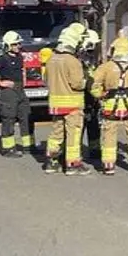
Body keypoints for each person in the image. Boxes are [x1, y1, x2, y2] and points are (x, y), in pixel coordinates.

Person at [91, 37, 128, 175]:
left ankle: (109, 165)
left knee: (109, 136)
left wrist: (100, 95)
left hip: (111, 107)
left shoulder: (104, 67)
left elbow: (94, 86)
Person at [43, 23, 92, 175]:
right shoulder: (73, 61)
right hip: (72, 105)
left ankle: (51, 162)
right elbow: (77, 84)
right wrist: (88, 80)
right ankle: (72, 164)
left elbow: (46, 79)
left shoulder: (51, 59)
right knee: (73, 135)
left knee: (56, 134)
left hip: (55, 104)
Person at [0, 30, 33, 157]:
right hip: (9, 92)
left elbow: (22, 71)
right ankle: (8, 149)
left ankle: (28, 146)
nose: (18, 46)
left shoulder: (20, 57)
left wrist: (24, 82)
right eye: (15, 44)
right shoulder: (3, 59)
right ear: (8, 45)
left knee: (26, 116)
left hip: (20, 90)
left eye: (18, 44)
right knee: (9, 119)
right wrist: (0, 83)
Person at [79, 29, 102, 159]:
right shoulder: (79, 60)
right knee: (79, 126)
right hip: (82, 96)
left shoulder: (92, 58)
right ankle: (75, 152)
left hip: (92, 97)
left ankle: (95, 150)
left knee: (93, 125)